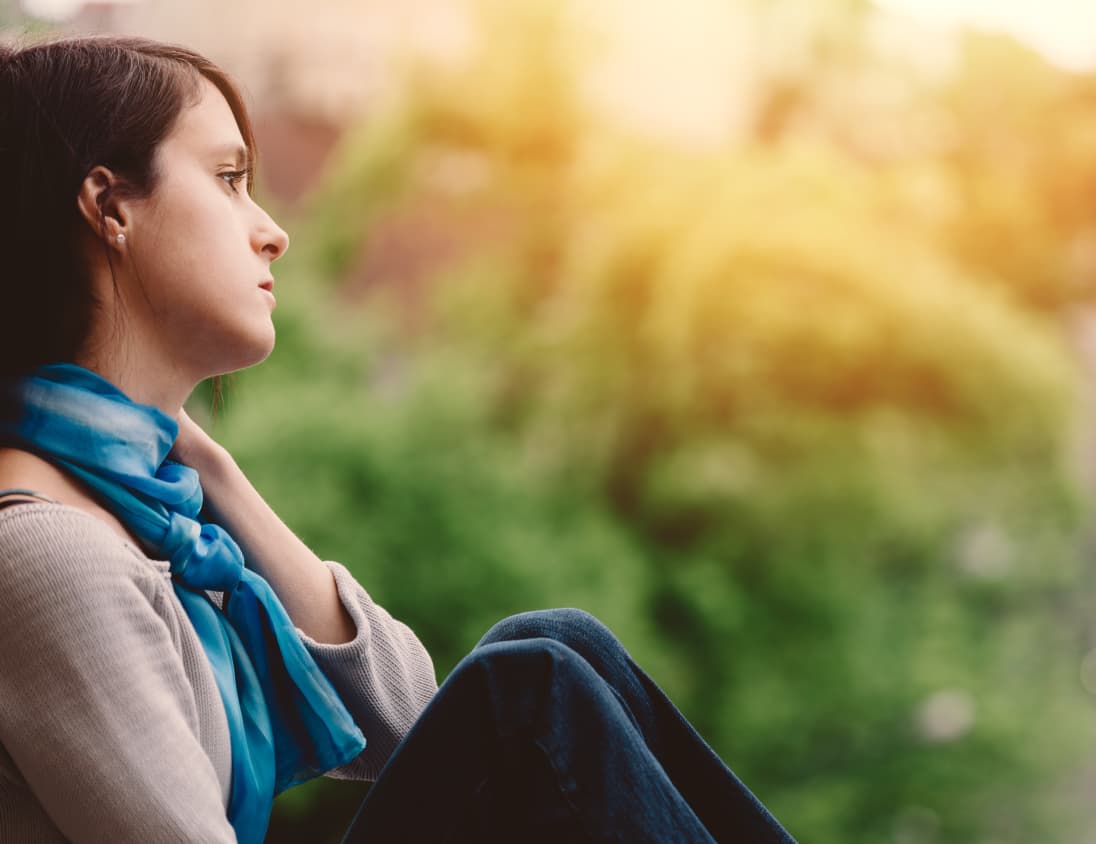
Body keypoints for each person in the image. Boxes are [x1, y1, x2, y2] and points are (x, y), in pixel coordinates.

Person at [0, 33, 797, 844]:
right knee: (530, 688)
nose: (271, 231)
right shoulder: (48, 554)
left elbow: (403, 719)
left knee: (556, 642)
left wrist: (218, 473)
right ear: (110, 208)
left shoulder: (153, 508)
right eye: (230, 180)